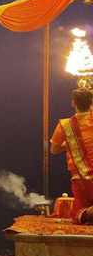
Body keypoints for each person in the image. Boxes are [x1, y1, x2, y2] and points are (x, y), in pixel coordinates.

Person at [51, 88, 93, 224]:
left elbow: (54, 150)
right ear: (91, 103)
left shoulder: (65, 125)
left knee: (79, 216)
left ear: (73, 103)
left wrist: (69, 143)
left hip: (80, 178)